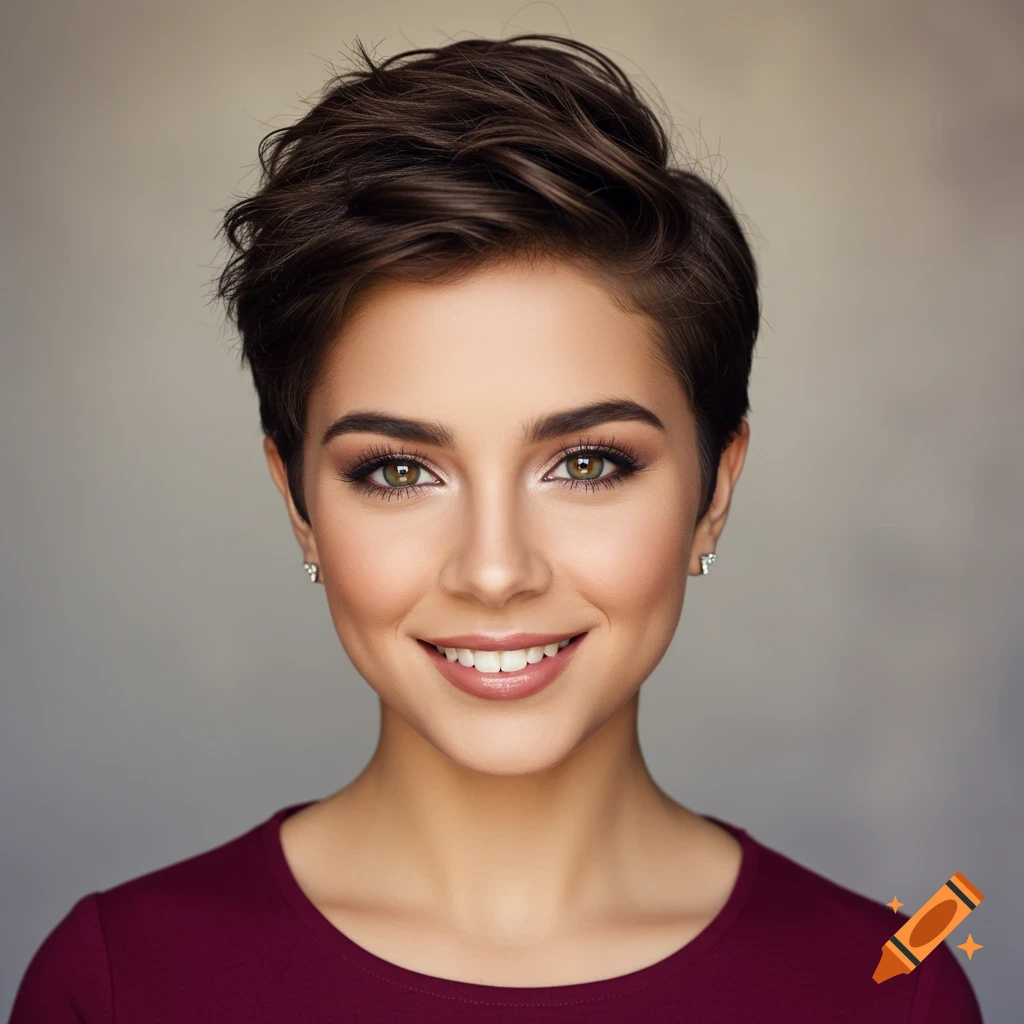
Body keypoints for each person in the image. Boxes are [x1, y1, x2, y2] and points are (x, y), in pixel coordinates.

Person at [9, 33, 983, 1023]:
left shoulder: (889, 989)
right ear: (297, 502)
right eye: (397, 470)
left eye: (588, 463)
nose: (493, 568)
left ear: (714, 489)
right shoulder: (123, 983)